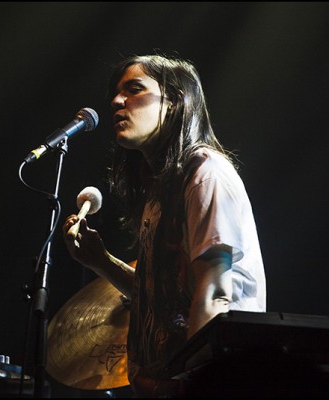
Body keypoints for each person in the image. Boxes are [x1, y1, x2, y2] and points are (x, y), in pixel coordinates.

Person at [62, 54, 267, 397]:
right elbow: (161, 299)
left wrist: (195, 381)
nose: (116, 101)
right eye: (116, 92)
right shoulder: (162, 190)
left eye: (134, 89)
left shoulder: (205, 174)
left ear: (173, 103)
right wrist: (101, 261)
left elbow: (216, 293)